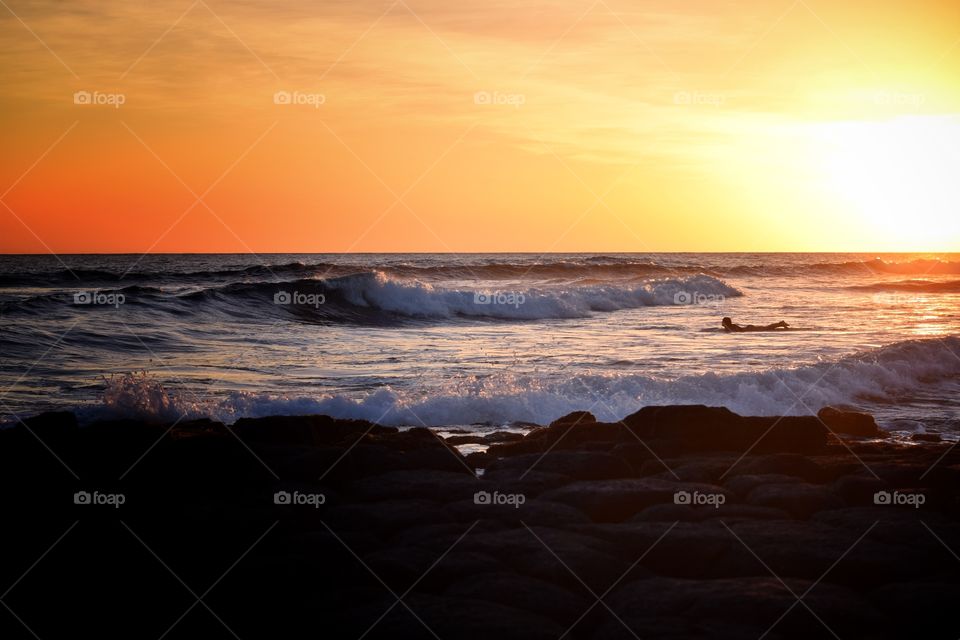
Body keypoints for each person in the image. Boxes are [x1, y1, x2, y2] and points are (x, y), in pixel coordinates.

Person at [721, 317, 789, 332]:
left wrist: (725, 325)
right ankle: (780, 323)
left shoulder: (732, 326)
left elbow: (734, 332)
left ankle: (780, 323)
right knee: (767, 328)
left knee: (767, 328)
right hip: (748, 328)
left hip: (749, 329)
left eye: (723, 321)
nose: (721, 322)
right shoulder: (729, 327)